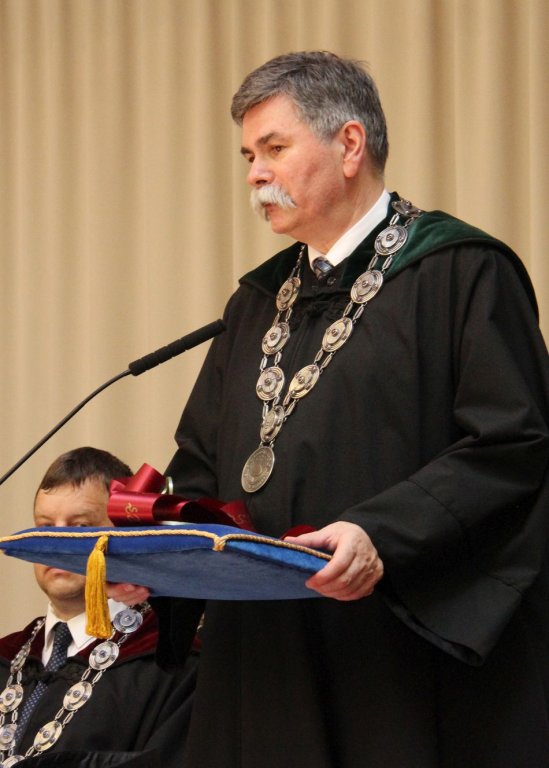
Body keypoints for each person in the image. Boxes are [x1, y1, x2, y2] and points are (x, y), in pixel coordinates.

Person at [112, 51, 549, 767]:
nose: (254, 174)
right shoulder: (255, 301)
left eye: (273, 148)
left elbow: (512, 443)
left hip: (391, 648)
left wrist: (380, 533)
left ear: (349, 145)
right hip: (263, 655)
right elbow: (201, 462)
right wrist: (161, 561)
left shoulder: (461, 271)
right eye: (248, 156)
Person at [0, 447, 198, 768]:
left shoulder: (172, 662)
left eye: (80, 527)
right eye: (46, 526)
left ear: (126, 535)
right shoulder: (8, 655)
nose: (58, 542)